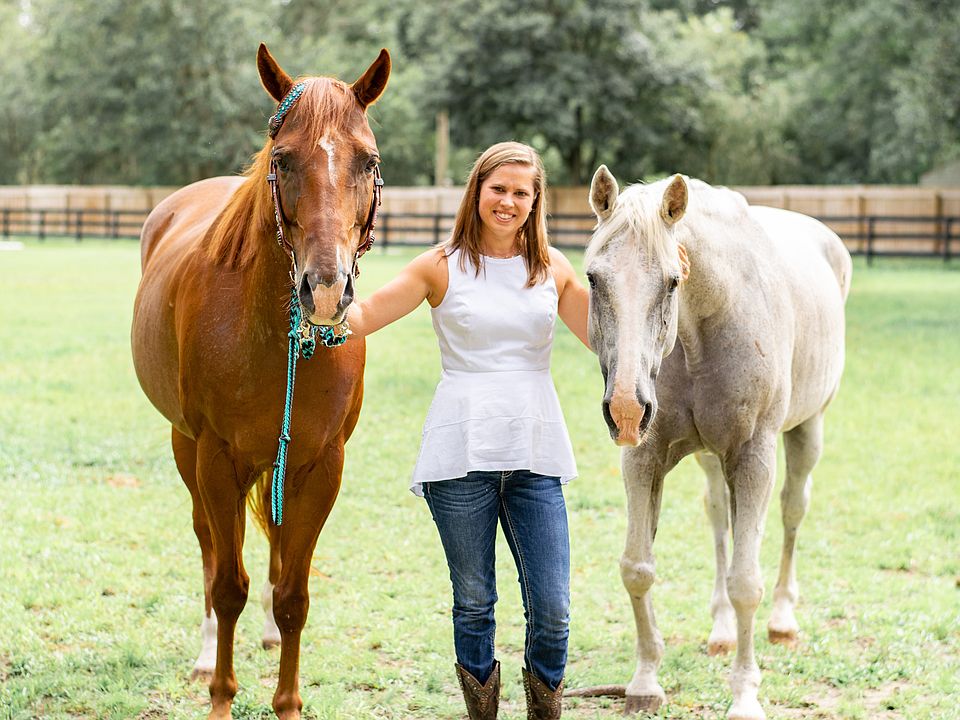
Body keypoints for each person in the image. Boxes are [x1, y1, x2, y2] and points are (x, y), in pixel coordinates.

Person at [348, 141, 590, 720]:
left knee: (553, 608)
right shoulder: (440, 265)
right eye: (498, 189)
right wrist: (316, 296)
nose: (508, 202)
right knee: (475, 603)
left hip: (535, 450)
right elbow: (363, 315)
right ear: (477, 191)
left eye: (521, 193)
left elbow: (611, 334)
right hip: (460, 454)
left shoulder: (552, 268)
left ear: (536, 202)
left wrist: (668, 280)